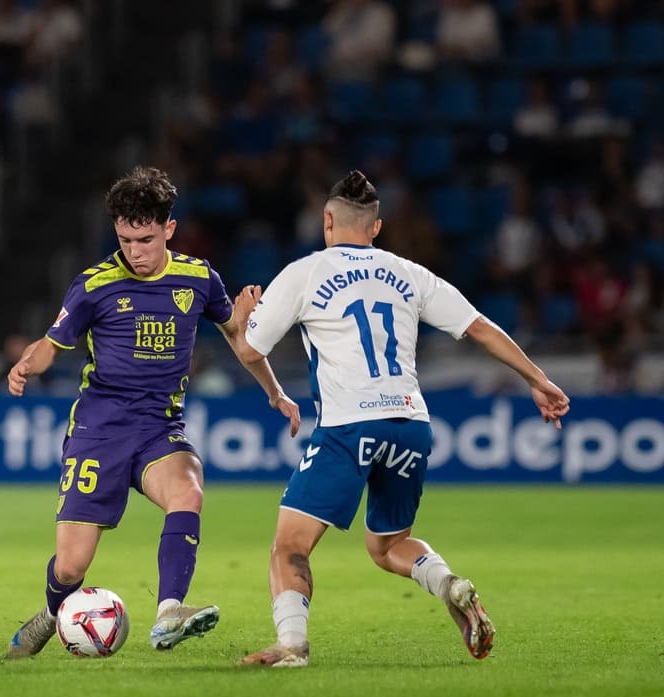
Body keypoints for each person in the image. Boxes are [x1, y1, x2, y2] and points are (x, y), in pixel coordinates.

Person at [229, 170, 570, 668]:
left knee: (289, 547)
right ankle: (449, 583)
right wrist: (537, 379)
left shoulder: (304, 273)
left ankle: (292, 646)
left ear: (327, 221)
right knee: (388, 546)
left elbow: (250, 350)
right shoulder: (409, 273)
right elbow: (479, 327)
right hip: (410, 424)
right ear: (376, 227)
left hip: (348, 428)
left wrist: (241, 321)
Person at [4, 166, 300, 658]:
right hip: (99, 430)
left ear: (169, 229)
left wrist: (275, 392)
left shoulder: (198, 278)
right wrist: (26, 365)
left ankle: (168, 613)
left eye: (144, 240)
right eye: (124, 240)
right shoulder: (94, 284)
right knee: (71, 567)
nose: (134, 252)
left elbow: (239, 338)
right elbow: (51, 345)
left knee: (188, 489)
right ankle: (52, 614)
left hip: (158, 427)